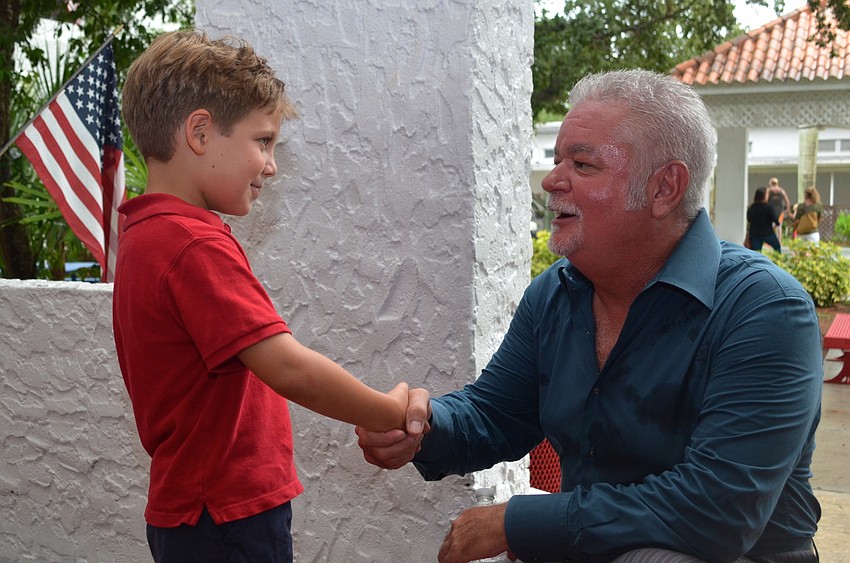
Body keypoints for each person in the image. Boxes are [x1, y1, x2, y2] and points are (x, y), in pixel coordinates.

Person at [357, 69, 822, 563]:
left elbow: (715, 511)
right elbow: (496, 413)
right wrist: (421, 425)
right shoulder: (556, 293)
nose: (552, 180)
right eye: (558, 160)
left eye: (581, 163)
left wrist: (520, 522)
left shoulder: (765, 310)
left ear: (665, 187)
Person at [113, 30, 415, 563]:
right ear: (200, 132)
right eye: (263, 142)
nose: (271, 165)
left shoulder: (144, 236)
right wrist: (387, 410)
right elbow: (288, 368)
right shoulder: (194, 245)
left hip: (189, 513)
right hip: (227, 516)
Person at [747, 187, 782, 252]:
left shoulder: (751, 207)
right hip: (767, 233)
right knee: (777, 246)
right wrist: (777, 224)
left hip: (755, 233)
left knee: (757, 252)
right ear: (764, 196)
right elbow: (775, 219)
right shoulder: (769, 207)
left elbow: (749, 219)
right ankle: (777, 260)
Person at [767, 177, 792, 242]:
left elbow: (765, 200)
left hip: (771, 210)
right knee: (779, 226)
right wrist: (788, 211)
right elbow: (787, 201)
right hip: (780, 210)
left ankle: (771, 240)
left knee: (771, 225)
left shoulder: (769, 190)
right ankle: (779, 241)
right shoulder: (781, 191)